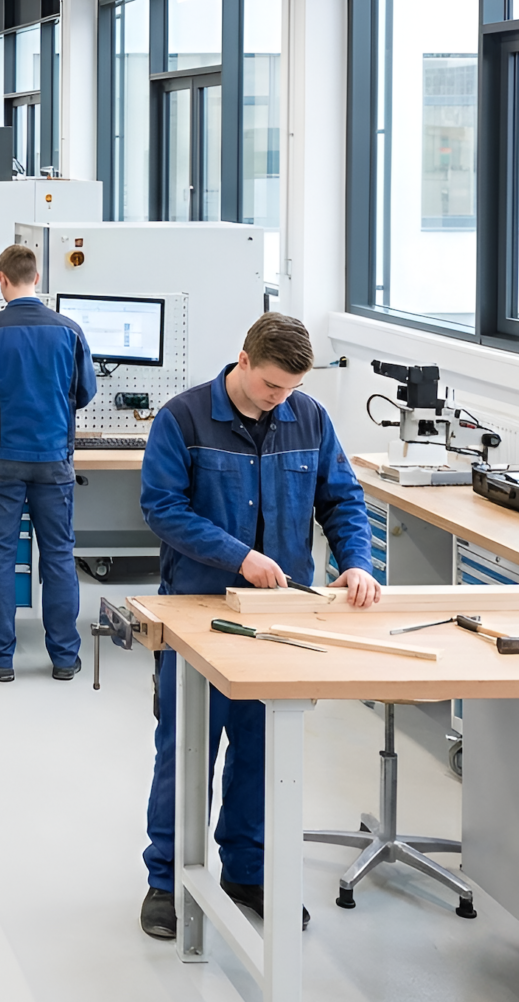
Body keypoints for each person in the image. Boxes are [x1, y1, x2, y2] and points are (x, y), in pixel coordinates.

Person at [139, 311, 380, 939]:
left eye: (292, 388)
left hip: (281, 622)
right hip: (200, 616)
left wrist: (357, 563)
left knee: (263, 751)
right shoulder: (184, 418)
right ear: (243, 360)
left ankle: (246, 871)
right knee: (186, 752)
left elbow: (343, 499)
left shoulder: (310, 418)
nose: (282, 398)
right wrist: (238, 556)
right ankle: (165, 879)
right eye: (273, 386)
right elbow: (162, 509)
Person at [0, 244, 97, 683]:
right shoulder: (69, 329)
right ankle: (65, 659)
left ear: (2, 278)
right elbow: (85, 393)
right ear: (37, 278)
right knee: (59, 555)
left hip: (1, 459)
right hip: (54, 460)